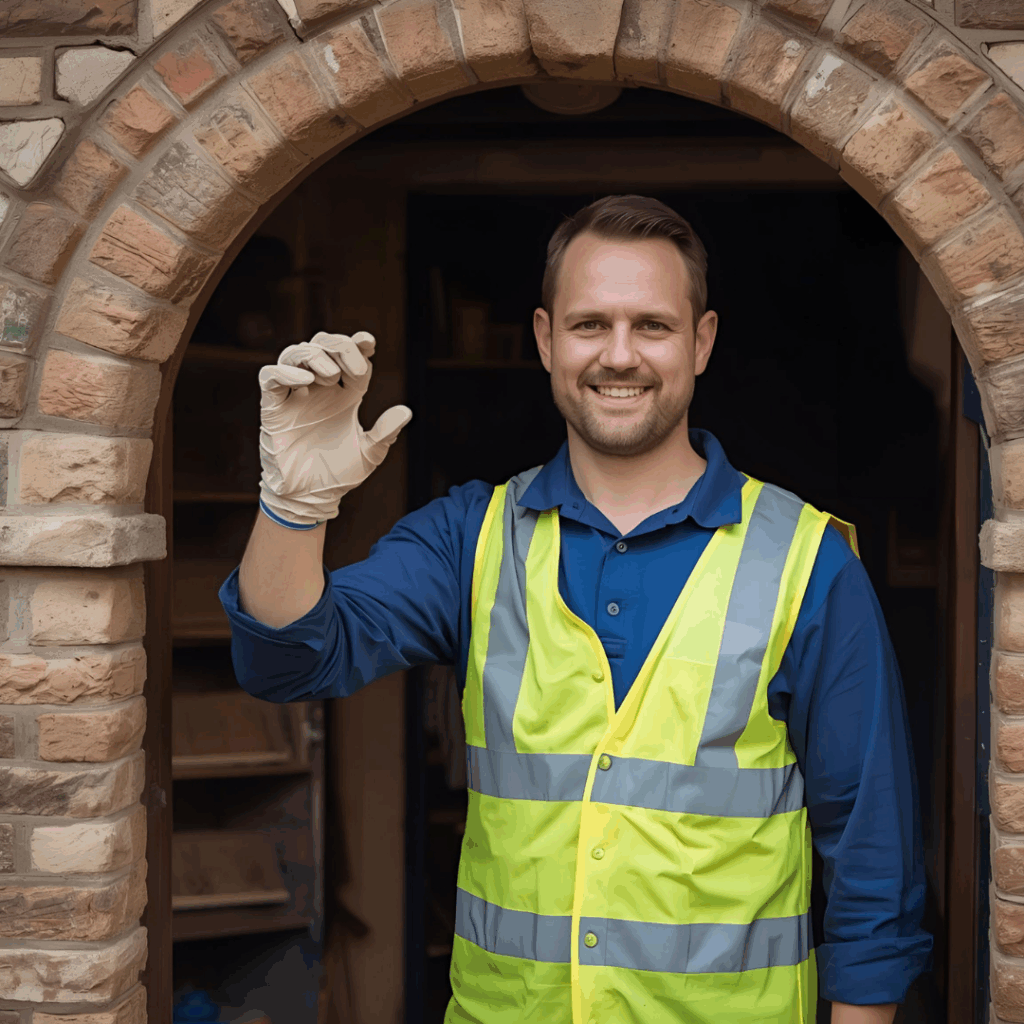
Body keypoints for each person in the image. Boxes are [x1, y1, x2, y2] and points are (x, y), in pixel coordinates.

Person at [220, 195, 932, 1023]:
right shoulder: (471, 538)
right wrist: (294, 508)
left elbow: (873, 852)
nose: (620, 355)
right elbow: (285, 662)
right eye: (590, 324)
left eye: (652, 326)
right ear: (545, 338)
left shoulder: (808, 562)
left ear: (701, 342)